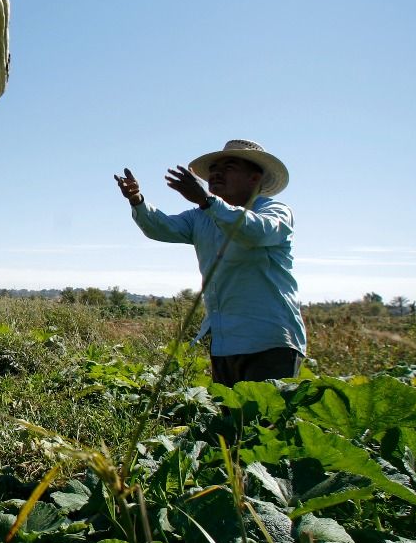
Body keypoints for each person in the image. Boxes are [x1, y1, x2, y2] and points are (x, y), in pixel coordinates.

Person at [114, 139, 306, 387]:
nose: (216, 173)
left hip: (270, 341)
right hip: (226, 343)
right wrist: (137, 199)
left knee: (264, 422)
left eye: (229, 167)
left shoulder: (275, 211)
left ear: (254, 178)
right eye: (214, 168)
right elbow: (159, 228)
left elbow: (255, 231)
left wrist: (206, 201)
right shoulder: (201, 217)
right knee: (230, 423)